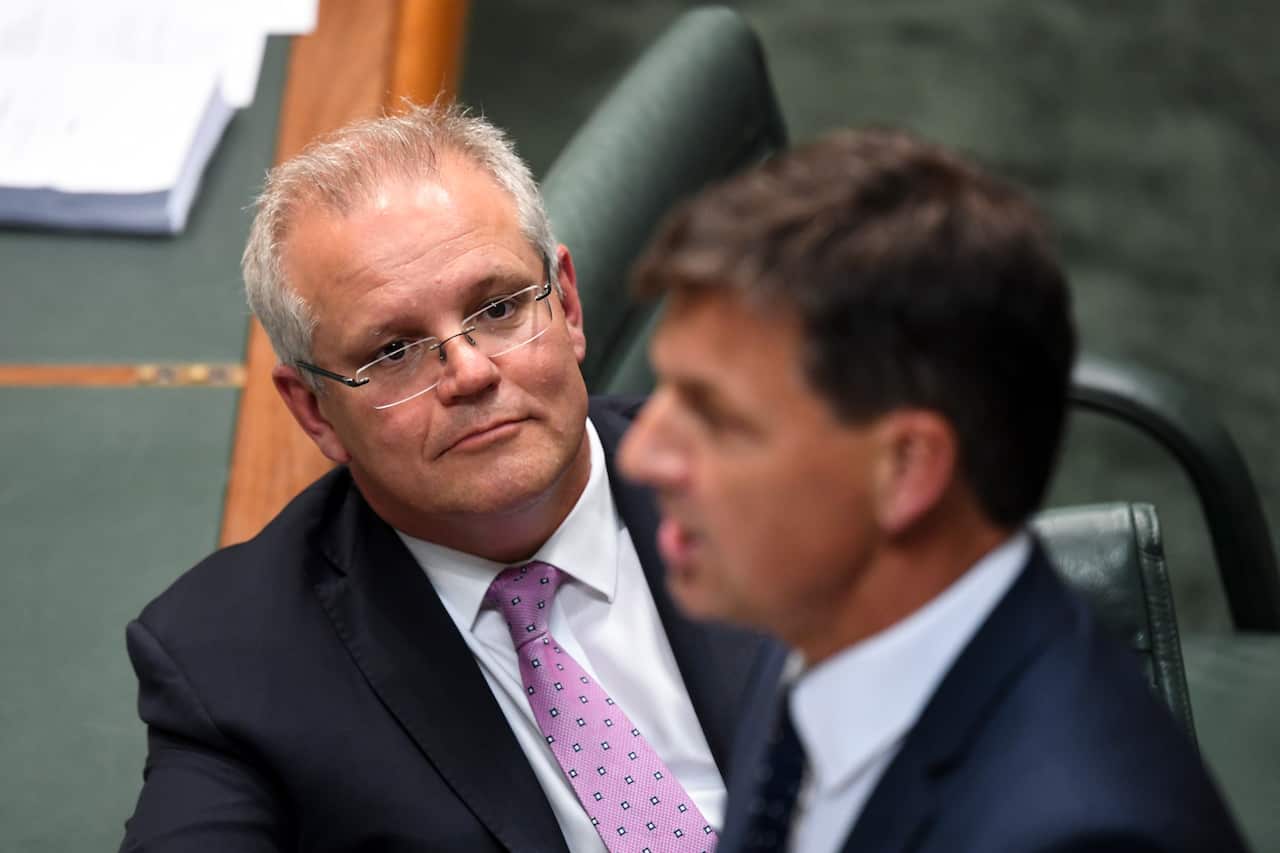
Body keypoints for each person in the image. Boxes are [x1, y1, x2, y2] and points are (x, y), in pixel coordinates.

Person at [119, 103, 774, 853]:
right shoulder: (233, 658)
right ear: (314, 410)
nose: (469, 372)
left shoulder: (788, 471)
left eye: (497, 308)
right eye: (394, 352)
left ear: (566, 301)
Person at [618, 128, 1248, 852]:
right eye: (662, 391)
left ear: (908, 468)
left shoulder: (1079, 834)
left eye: (714, 415)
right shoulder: (818, 643)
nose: (641, 454)